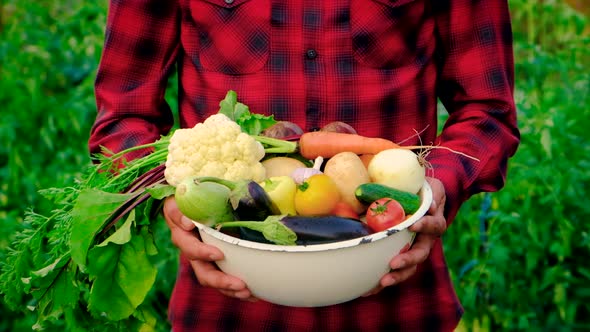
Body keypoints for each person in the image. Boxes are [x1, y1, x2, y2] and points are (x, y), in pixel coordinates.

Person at [89, 1, 520, 331]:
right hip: (229, 306)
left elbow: (487, 110)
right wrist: (176, 201)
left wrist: (437, 187)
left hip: (397, 300)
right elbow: (124, 117)